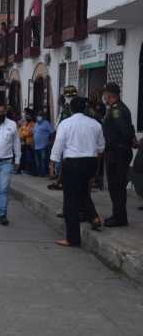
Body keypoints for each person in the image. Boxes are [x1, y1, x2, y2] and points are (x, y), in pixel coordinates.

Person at [50, 97, 105, 247]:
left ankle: (72, 238)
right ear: (85, 108)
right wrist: (96, 167)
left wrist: (53, 164)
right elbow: (101, 147)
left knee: (70, 200)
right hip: (91, 162)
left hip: (73, 163)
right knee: (83, 192)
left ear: (71, 109)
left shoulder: (66, 123)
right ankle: (94, 217)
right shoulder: (95, 124)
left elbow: (58, 144)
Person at [102, 83, 137, 227]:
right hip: (118, 152)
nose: (104, 97)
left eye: (105, 94)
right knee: (116, 186)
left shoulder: (116, 110)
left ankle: (120, 217)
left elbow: (125, 131)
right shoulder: (119, 108)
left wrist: (129, 141)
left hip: (118, 153)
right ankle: (118, 215)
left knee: (116, 186)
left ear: (110, 95)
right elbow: (129, 129)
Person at [33, 110, 54, 177]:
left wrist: (50, 142)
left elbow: (52, 132)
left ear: (43, 116)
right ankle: (40, 173)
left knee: (44, 160)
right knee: (38, 161)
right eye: (38, 115)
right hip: (36, 146)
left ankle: (44, 173)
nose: (39, 117)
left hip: (44, 146)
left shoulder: (46, 123)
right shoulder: (36, 124)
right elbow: (34, 133)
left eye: (40, 115)